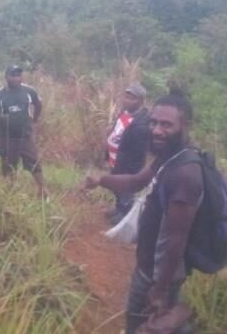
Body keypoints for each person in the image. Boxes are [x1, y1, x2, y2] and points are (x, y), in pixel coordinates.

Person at [85, 90, 202, 334]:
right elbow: (136, 182)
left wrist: (160, 289)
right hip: (151, 269)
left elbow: (176, 239)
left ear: (185, 125)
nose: (157, 130)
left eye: (166, 125)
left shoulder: (186, 173)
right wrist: (101, 180)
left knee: (139, 326)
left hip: (156, 275)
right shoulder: (170, 156)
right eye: (154, 122)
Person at [0, 65, 47, 198]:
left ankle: (43, 192)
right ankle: (10, 194)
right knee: (8, 165)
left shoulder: (29, 91)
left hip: (25, 135)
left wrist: (35, 119)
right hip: (7, 137)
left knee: (34, 163)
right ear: (6, 77)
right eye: (13, 75)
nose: (16, 78)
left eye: (18, 75)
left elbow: (38, 104)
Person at [105, 83, 150, 225]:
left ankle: (125, 214)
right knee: (116, 187)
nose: (127, 101)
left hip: (127, 166)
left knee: (126, 190)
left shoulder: (143, 123)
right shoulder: (124, 113)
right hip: (115, 160)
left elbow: (139, 153)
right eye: (126, 97)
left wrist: (131, 172)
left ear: (141, 101)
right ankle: (119, 208)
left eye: (132, 99)